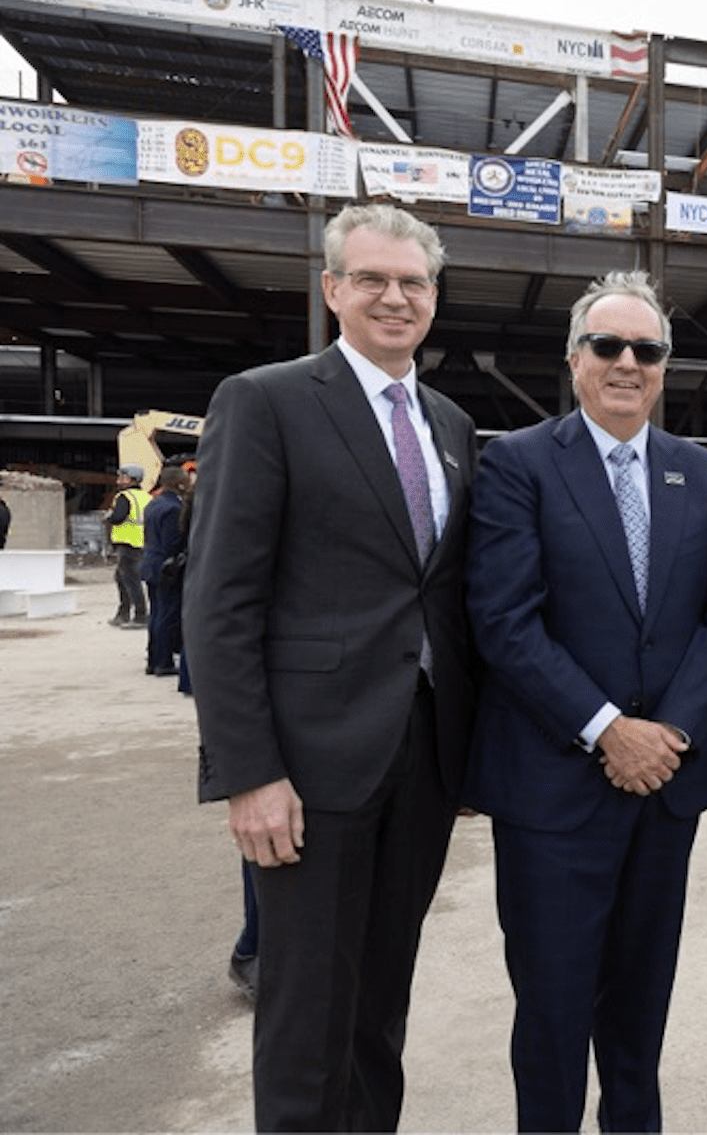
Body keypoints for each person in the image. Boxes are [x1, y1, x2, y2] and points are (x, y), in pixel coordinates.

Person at [185, 203, 480, 1131]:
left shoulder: (450, 423)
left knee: (380, 998)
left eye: (414, 282)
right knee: (307, 1006)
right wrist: (249, 774)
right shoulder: (265, 398)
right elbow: (220, 602)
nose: (395, 298)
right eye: (373, 280)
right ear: (332, 289)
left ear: (434, 297)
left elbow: (441, 589)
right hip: (309, 768)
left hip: (423, 758)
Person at [462, 270, 707, 1133]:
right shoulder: (517, 464)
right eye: (609, 345)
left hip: (666, 789)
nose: (628, 362)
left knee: (639, 1004)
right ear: (574, 358)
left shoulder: (702, 476)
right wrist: (606, 730)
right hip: (554, 792)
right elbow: (504, 620)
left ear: (664, 366)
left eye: (647, 349)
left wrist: (668, 735)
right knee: (552, 1010)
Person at [139, 464, 189, 677]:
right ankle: (164, 662)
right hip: (166, 569)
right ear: (178, 483)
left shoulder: (154, 504)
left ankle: (153, 660)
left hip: (150, 564)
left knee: (156, 613)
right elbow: (173, 543)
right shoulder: (174, 509)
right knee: (167, 614)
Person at [105, 463, 150, 628]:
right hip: (141, 543)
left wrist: (109, 516)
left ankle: (139, 616)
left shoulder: (124, 497)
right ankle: (123, 614)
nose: (119, 480)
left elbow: (117, 518)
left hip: (127, 543)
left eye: (123, 477)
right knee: (125, 578)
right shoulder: (146, 496)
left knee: (129, 580)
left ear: (133, 480)